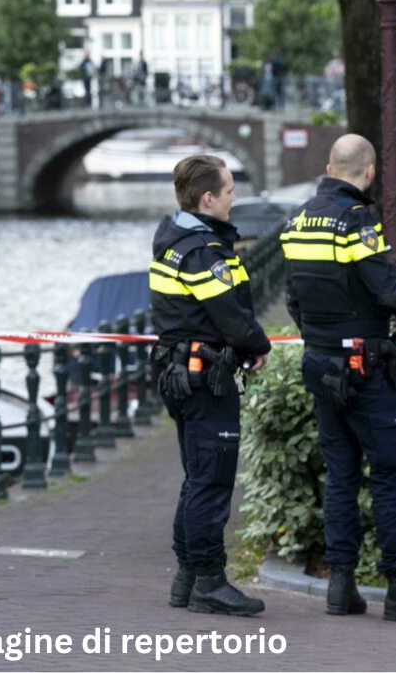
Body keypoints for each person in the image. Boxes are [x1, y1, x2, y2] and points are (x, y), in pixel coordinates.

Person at [282, 134, 396, 625]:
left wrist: (321, 337)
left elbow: (293, 295)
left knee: (340, 476)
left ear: (328, 165)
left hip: (321, 365)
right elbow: (382, 283)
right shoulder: (357, 218)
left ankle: (342, 586)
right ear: (369, 171)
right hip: (365, 368)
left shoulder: (299, 219)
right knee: (389, 475)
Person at [150, 154, 272, 616]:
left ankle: (187, 578)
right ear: (207, 198)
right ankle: (209, 583)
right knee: (211, 482)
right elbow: (229, 313)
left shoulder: (174, 240)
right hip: (205, 379)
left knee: (197, 479)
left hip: (182, 373)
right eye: (229, 190)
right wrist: (257, 346)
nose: (234, 197)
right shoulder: (203, 250)